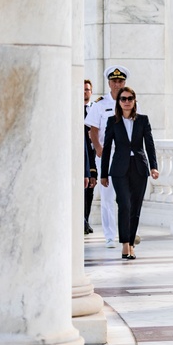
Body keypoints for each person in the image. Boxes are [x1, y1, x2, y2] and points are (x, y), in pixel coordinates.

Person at [100, 86, 159, 260]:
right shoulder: (113, 122)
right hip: (119, 169)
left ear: (134, 101)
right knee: (124, 204)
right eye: (123, 99)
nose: (127, 102)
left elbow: (149, 144)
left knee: (135, 207)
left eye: (130, 98)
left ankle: (131, 243)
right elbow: (107, 148)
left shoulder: (143, 120)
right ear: (118, 102)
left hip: (139, 168)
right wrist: (103, 173)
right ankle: (125, 244)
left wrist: (153, 166)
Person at [86, 66, 129, 248]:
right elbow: (93, 129)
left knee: (127, 196)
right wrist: (98, 149)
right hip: (107, 156)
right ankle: (110, 235)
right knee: (107, 197)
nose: (117, 84)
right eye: (114, 81)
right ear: (109, 83)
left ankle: (127, 233)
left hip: (126, 155)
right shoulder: (100, 104)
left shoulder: (131, 101)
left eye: (120, 81)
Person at [83, 79, 97, 234]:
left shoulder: (94, 109)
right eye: (82, 89)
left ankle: (86, 219)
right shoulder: (74, 109)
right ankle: (81, 221)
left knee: (90, 190)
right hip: (80, 154)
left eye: (87, 89)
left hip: (92, 154)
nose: (85, 92)